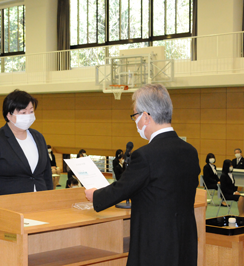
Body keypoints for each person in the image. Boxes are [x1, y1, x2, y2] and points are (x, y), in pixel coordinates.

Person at [85, 84, 200, 266]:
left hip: (155, 246)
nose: (135, 121)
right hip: (184, 242)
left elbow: (123, 188)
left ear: (146, 117)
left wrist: (95, 195)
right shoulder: (190, 151)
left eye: (135, 115)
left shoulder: (146, 155)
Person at [0, 89, 53, 197]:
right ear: (9, 115)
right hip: (10, 204)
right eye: (23, 112)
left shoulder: (38, 137)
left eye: (31, 111)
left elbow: (46, 173)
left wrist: (49, 197)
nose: (28, 116)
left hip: (40, 201)